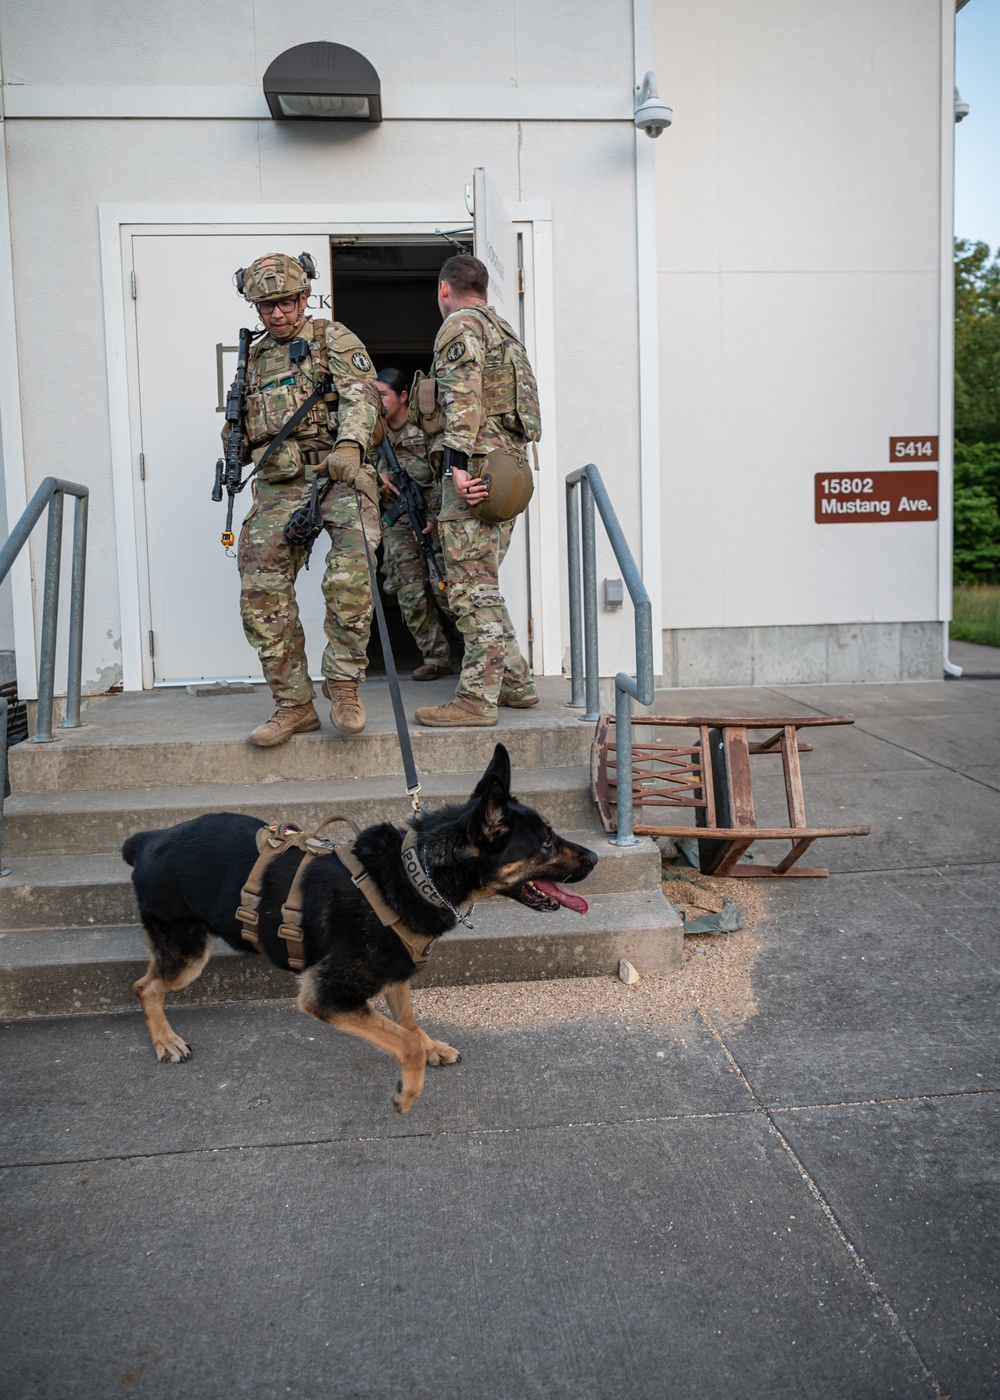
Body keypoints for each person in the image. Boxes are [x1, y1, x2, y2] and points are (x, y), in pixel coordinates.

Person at [232, 252, 380, 746]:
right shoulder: (252, 358)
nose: (276, 313)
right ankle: (294, 705)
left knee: (352, 568)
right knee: (260, 587)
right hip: (279, 483)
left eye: (286, 302)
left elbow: (363, 395)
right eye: (265, 306)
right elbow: (241, 421)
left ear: (303, 296)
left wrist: (351, 443)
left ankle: (343, 684)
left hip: (336, 470)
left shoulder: (331, 338)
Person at [414, 253, 539, 728]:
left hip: (478, 472)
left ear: (444, 289)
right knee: (484, 583)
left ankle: (476, 700)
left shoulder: (459, 326)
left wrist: (457, 467)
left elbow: (462, 397)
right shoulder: (505, 332)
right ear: (485, 289)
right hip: (508, 471)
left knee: (470, 589)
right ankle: (517, 683)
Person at [375, 368, 454, 682]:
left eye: (383, 395)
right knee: (409, 592)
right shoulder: (371, 432)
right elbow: (352, 467)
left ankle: (476, 653)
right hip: (396, 519)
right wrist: (375, 478)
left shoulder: (425, 429)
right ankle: (436, 657)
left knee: (445, 589)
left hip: (432, 515)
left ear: (403, 395)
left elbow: (443, 475)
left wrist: (434, 517)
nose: (378, 402)